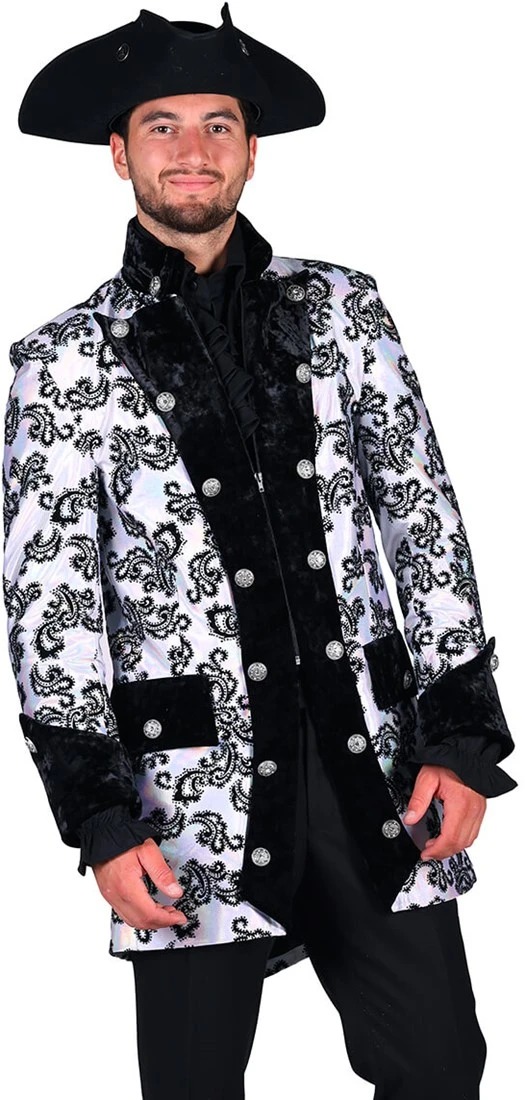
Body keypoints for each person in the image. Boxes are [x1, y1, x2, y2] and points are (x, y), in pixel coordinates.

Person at [4, 6, 518, 1099]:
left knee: (440, 1067)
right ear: (119, 153)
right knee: (193, 1085)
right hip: (187, 798)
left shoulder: (345, 311)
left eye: (219, 124)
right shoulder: (59, 364)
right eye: (162, 125)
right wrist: (99, 818)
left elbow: (423, 520)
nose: (192, 149)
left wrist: (462, 737)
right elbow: (51, 610)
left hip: (376, 767)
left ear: (251, 148)